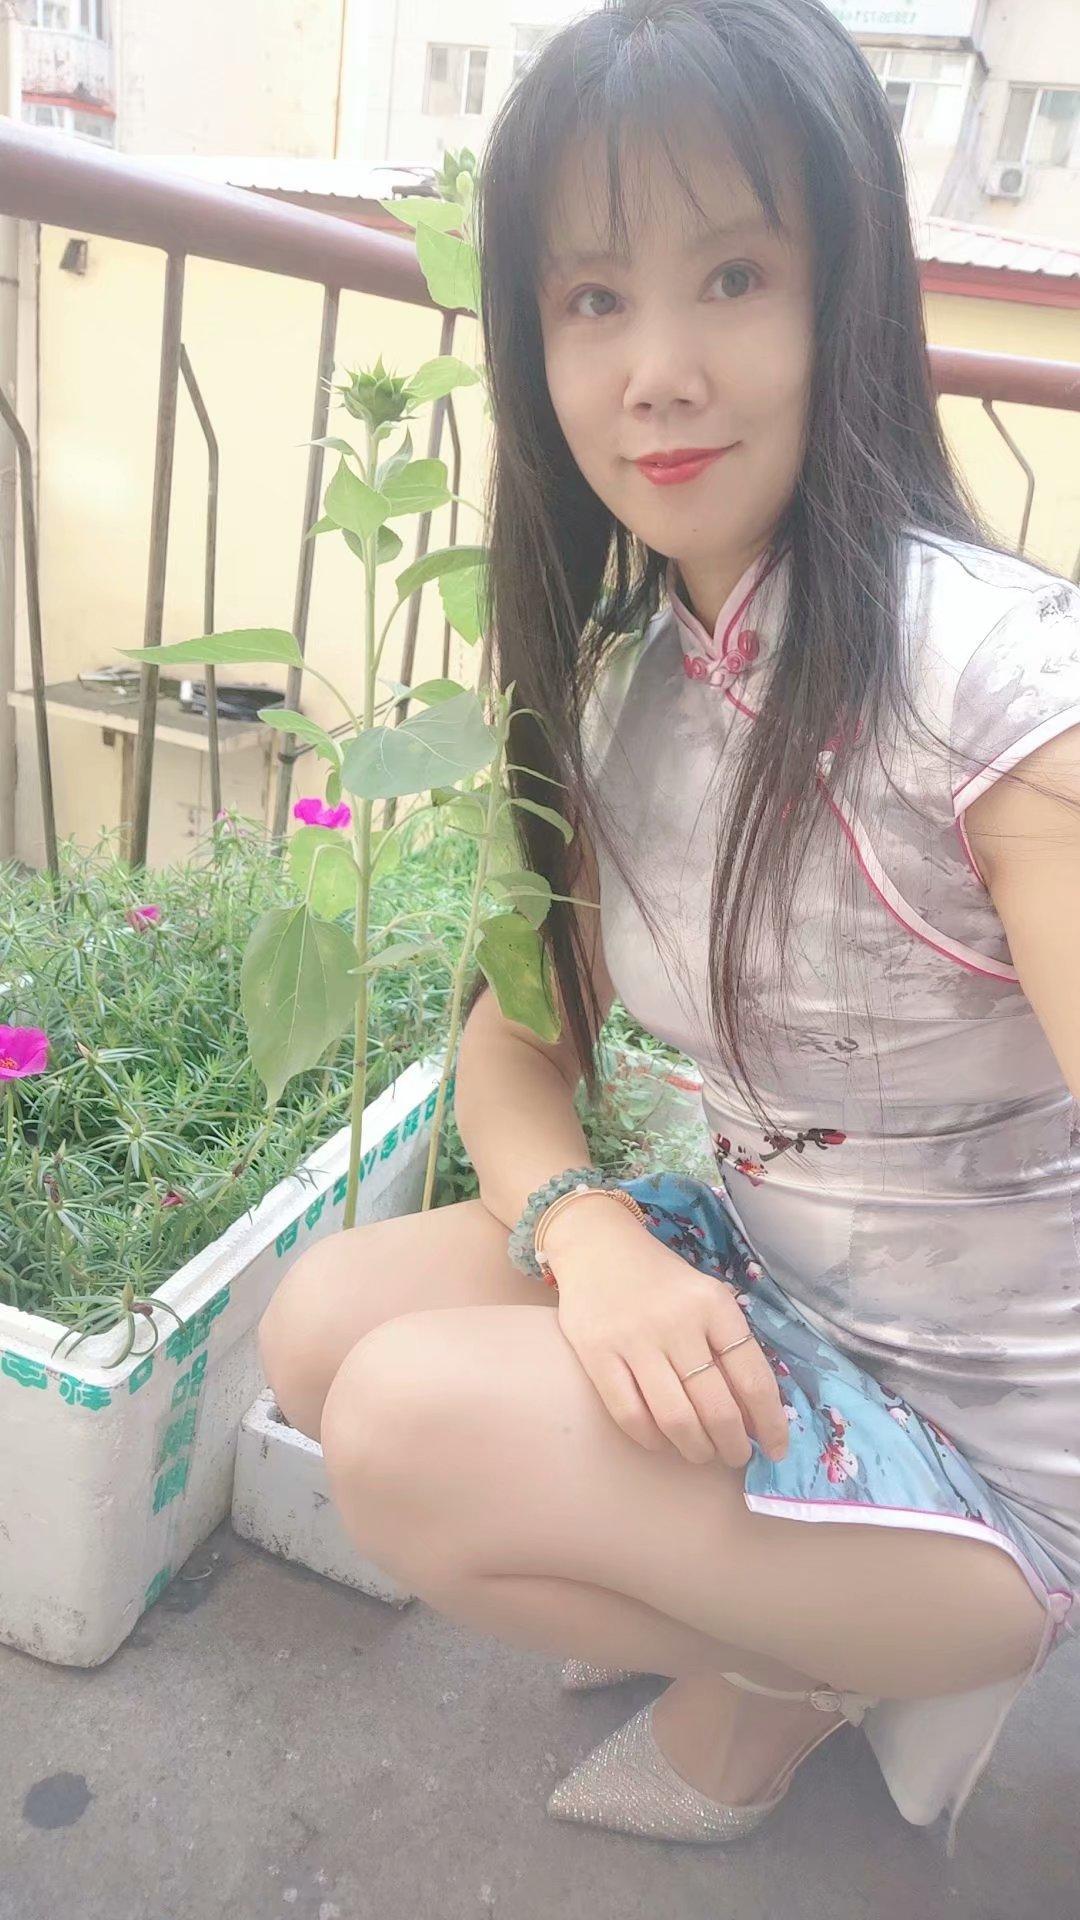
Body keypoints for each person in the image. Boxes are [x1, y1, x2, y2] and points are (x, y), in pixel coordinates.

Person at [258, 0, 1080, 1856]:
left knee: (404, 1426)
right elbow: (513, 1044)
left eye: (733, 276)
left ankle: (807, 1669)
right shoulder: (630, 674)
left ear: (846, 295)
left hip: (997, 1444)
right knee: (322, 1329)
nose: (659, 373)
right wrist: (597, 1239)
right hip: (775, 1294)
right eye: (592, 298)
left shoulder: (1001, 687)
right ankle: (774, 1602)